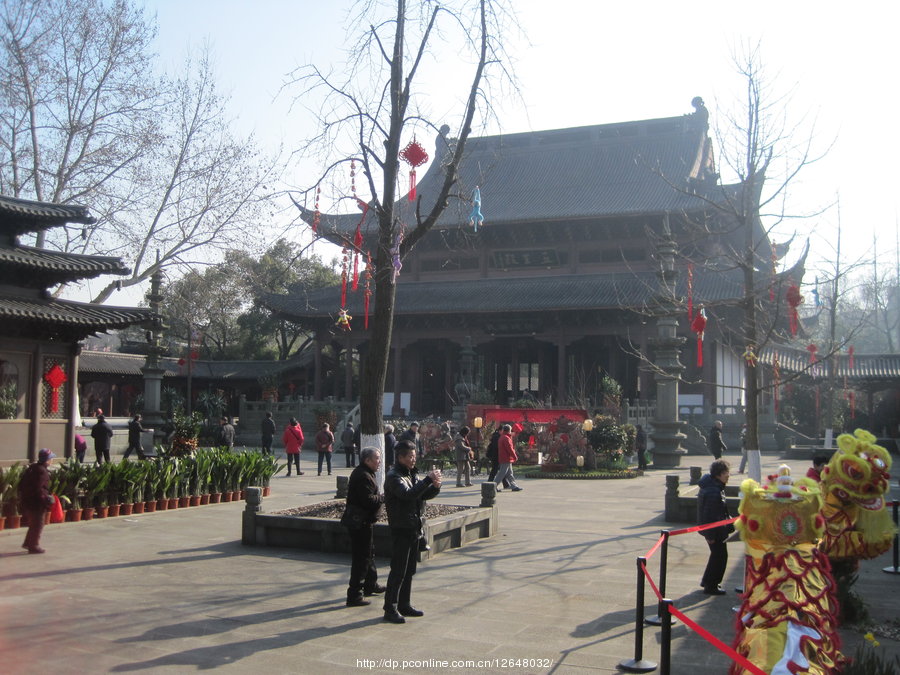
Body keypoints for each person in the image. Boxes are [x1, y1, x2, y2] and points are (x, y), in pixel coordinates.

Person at [382, 440, 442, 623]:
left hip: (413, 526)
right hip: (401, 527)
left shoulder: (411, 474)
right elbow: (407, 495)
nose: (413, 459)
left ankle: (404, 604)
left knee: (409, 570)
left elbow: (420, 495)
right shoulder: (394, 476)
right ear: (400, 457)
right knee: (398, 570)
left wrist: (435, 487)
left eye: (415, 456)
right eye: (410, 456)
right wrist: (427, 480)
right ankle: (390, 608)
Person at [341, 447, 386, 606]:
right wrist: (382, 497)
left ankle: (370, 584)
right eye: (377, 458)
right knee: (361, 558)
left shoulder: (365, 472)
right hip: (360, 523)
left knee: (369, 554)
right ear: (367, 460)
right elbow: (368, 500)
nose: (379, 462)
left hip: (364, 522)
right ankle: (354, 594)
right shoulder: (363, 476)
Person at [697, 459, 734, 595]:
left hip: (717, 529)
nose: (728, 475)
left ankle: (708, 581)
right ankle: (711, 585)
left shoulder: (715, 486)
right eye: (725, 473)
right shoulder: (713, 490)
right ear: (718, 474)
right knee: (720, 556)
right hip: (715, 531)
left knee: (717, 555)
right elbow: (709, 515)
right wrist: (710, 535)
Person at [19, 448, 56, 554]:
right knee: (38, 524)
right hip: (36, 503)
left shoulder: (33, 468)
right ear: (47, 460)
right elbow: (39, 489)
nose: (52, 460)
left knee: (33, 523)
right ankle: (33, 545)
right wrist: (46, 499)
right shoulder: (41, 472)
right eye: (51, 458)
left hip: (28, 501)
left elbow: (21, 484)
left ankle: (28, 543)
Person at [494, 424, 523, 492]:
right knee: (502, 473)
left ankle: (514, 486)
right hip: (506, 458)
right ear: (509, 430)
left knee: (509, 473)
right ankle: (493, 486)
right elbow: (510, 449)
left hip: (503, 457)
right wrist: (515, 456)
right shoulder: (506, 438)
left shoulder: (502, 437)